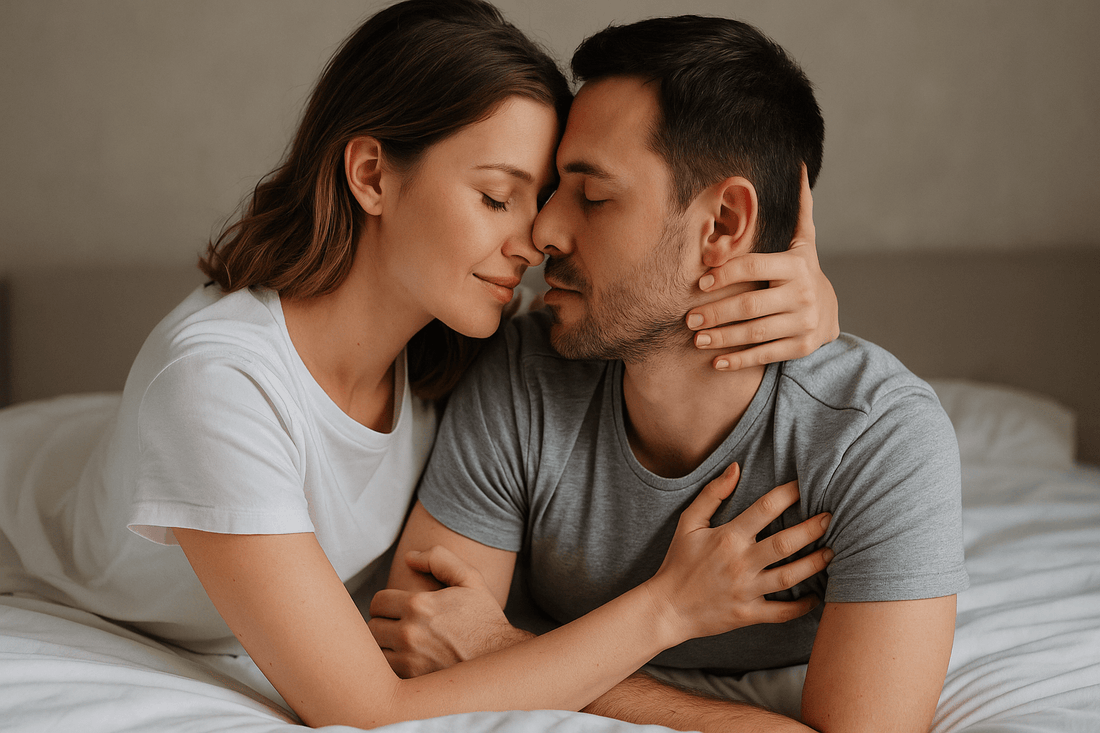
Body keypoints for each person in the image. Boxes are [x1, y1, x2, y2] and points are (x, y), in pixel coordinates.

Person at [0, 1, 844, 728]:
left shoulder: (464, 333)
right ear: (372, 174)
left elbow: (644, 311)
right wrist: (665, 608)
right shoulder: (218, 385)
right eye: (494, 196)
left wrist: (809, 299)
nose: (540, 237)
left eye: (546, 194)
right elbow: (367, 710)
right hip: (35, 534)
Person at [373, 14, 968, 733]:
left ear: (721, 226)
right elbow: (414, 642)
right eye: (554, 191)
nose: (542, 233)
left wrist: (506, 650)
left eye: (592, 196)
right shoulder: (525, 370)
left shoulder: (877, 438)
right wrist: (662, 611)